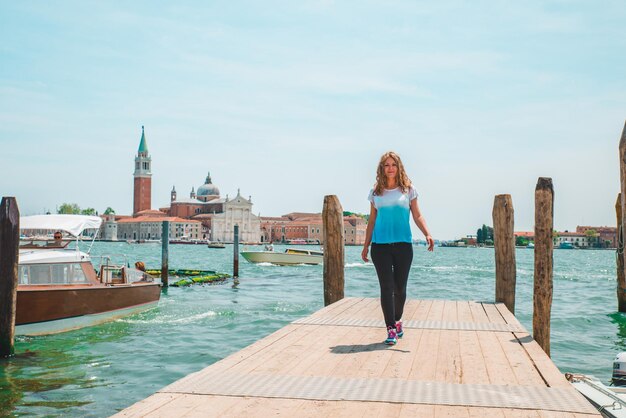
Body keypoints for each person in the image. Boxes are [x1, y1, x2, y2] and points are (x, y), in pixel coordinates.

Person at [361, 151, 434, 346]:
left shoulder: (408, 190)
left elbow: (417, 215)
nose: (390, 168)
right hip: (380, 246)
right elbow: (372, 220)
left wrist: (427, 233)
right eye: (386, 165)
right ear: (382, 169)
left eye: (393, 164)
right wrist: (366, 245)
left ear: (399, 167)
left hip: (403, 245)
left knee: (400, 288)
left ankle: (398, 319)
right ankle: (391, 327)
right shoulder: (376, 192)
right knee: (386, 287)